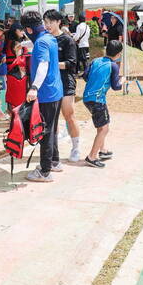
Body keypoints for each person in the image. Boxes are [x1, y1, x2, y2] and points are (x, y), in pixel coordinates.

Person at [21, 10, 63, 182]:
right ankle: (54, 162)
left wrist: (34, 87)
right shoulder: (49, 37)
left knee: (45, 132)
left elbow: (43, 65)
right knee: (51, 128)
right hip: (56, 92)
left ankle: (45, 171)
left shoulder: (40, 43)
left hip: (46, 94)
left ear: (29, 30)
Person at [43, 10, 80, 162]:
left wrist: (52, 65)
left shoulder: (67, 40)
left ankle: (76, 147)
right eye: (45, 22)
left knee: (69, 115)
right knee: (53, 119)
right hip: (51, 83)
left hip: (65, 82)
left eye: (50, 22)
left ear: (58, 22)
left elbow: (72, 64)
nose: (47, 25)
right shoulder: (45, 39)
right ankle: (54, 150)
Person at [82, 40, 123, 167]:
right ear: (118, 54)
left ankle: (103, 150)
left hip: (87, 98)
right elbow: (116, 86)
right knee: (104, 129)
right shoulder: (114, 66)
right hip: (98, 100)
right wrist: (123, 81)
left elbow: (85, 75)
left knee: (101, 125)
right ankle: (92, 157)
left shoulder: (95, 61)